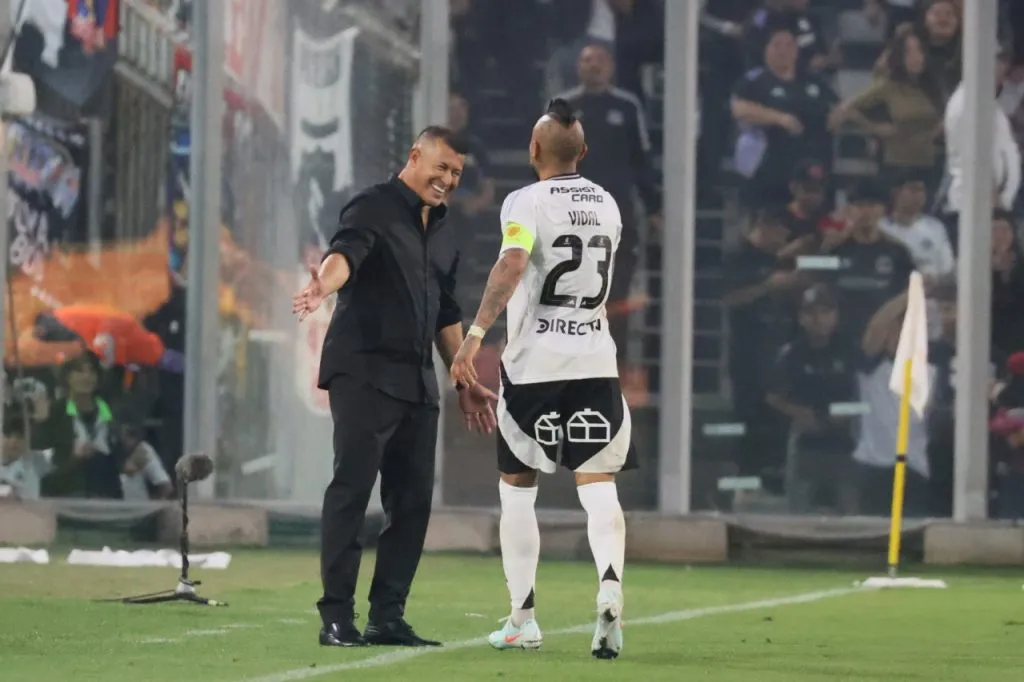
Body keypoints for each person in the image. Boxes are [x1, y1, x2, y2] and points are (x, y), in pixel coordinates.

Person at [291, 126, 498, 649]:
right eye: (442, 167)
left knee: (411, 503)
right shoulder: (373, 205)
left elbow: (445, 311)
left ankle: (387, 617)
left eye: (456, 173)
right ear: (415, 156)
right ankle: (336, 617)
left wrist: (463, 378)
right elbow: (345, 255)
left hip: (417, 380)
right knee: (352, 491)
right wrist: (322, 284)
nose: (448, 180)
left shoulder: (446, 229)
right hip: (363, 372)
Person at [449, 99, 636, 660]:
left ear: (534, 150)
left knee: (517, 492)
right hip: (596, 362)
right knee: (599, 485)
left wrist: (476, 335)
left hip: (534, 367)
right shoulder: (608, 203)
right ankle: (609, 589)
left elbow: (511, 265)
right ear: (583, 152)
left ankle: (522, 618)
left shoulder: (525, 201)